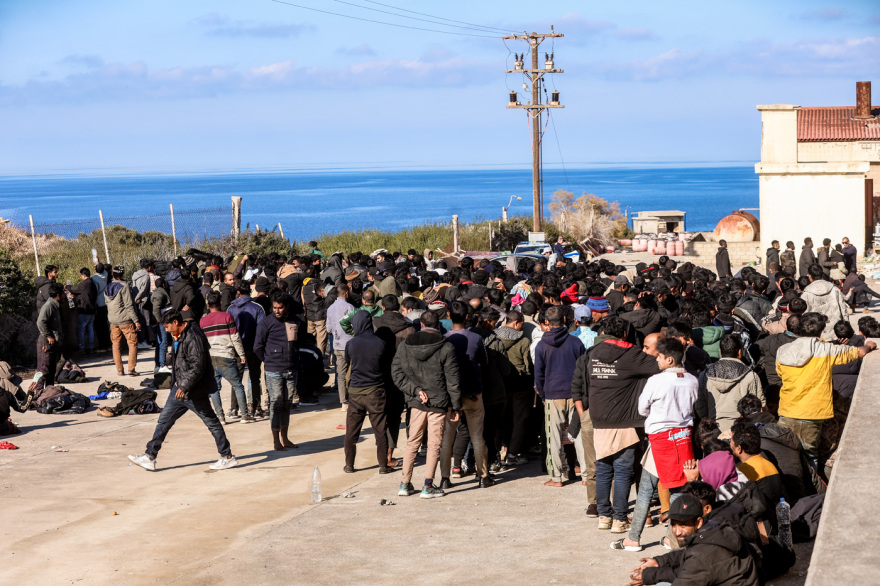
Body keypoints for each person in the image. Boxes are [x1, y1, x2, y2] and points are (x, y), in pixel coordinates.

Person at [573, 316, 659, 532]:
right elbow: (659, 365)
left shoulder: (592, 354)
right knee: (622, 471)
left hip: (599, 419)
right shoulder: (631, 354)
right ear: (623, 334)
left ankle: (604, 516)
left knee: (603, 469)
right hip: (625, 421)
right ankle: (620, 519)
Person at [128, 311, 238, 472]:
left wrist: (184, 386)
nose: (166, 330)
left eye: (167, 327)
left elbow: (197, 366)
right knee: (164, 421)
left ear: (176, 322)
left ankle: (227, 456)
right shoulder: (181, 334)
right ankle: (150, 456)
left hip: (193, 390)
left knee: (212, 422)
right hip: (180, 389)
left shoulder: (193, 337)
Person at [776, 312, 874, 472]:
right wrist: (869, 345)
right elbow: (858, 353)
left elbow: (780, 374)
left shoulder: (783, 350)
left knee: (787, 456)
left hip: (786, 411)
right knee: (810, 457)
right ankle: (813, 491)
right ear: (820, 331)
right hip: (813, 414)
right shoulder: (826, 350)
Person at [392, 310, 462, 499]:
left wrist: (414, 390)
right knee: (434, 445)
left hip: (416, 402)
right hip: (439, 402)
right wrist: (456, 406)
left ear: (421, 324)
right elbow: (453, 380)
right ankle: (427, 485)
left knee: (412, 442)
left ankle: (405, 483)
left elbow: (396, 373)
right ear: (438, 325)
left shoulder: (406, 345)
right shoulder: (446, 346)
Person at [629, 493, 760, 586]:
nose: (677, 531)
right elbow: (689, 559)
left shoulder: (702, 556)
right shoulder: (715, 530)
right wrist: (659, 561)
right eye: (674, 524)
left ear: (698, 522)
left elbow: (689, 571)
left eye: (683, 525)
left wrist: (651, 576)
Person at [440, 301, 491, 489]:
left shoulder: (444, 339)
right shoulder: (476, 338)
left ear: (448, 315)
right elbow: (484, 362)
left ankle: (445, 478)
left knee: (448, 438)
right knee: (477, 436)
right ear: (467, 316)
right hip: (473, 394)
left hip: (451, 396)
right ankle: (483, 475)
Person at [638, 338, 698, 497]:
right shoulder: (693, 380)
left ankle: (640, 523)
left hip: (660, 438)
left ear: (669, 360)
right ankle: (678, 521)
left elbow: (642, 408)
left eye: (659, 356)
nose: (656, 359)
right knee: (680, 485)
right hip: (684, 437)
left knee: (645, 490)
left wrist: (656, 414)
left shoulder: (655, 381)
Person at [534, 305, 586, 488]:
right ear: (564, 320)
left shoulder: (542, 345)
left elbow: (538, 374)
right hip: (575, 393)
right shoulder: (576, 343)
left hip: (552, 394)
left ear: (546, 323)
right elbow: (583, 370)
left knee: (553, 437)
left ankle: (556, 477)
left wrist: (542, 393)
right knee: (578, 433)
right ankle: (586, 475)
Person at [342, 311, 394, 474]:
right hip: (376, 391)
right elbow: (385, 366)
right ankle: (383, 466)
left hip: (356, 393)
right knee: (380, 430)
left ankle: (349, 465)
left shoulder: (351, 344)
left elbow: (349, 362)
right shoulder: (381, 343)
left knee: (351, 432)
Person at [254, 292, 302, 451]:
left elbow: (298, 343)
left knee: (286, 404)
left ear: (286, 307)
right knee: (275, 404)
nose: (277, 310)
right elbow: (257, 347)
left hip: (291, 370)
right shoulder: (266, 323)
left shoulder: (295, 320)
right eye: (274, 308)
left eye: (280, 308)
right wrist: (268, 361)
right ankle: (276, 441)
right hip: (273, 370)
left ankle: (285, 438)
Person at [695, 335, 764, 433]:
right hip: (742, 432)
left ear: (720, 351)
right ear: (740, 352)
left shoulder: (705, 375)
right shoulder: (750, 375)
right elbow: (760, 406)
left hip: (713, 431)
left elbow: (700, 406)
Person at [200, 290, 249, 424]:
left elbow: (202, 342)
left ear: (208, 304)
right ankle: (245, 415)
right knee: (238, 386)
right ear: (220, 303)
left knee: (214, 389)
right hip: (227, 356)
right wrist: (242, 354)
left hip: (211, 357)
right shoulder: (227, 317)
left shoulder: (203, 321)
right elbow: (235, 338)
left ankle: (220, 417)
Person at [227, 283, 267, 419]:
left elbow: (229, 330)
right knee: (255, 378)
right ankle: (254, 408)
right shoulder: (257, 308)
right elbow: (262, 329)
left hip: (237, 349)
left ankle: (234, 408)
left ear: (238, 292)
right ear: (250, 291)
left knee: (236, 379)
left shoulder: (231, 309)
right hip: (254, 348)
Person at [105, 265, 141, 377]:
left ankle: (120, 370)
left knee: (115, 345)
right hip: (125, 320)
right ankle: (131, 369)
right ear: (122, 274)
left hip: (113, 321)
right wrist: (136, 320)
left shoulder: (108, 287)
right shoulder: (124, 286)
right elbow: (129, 305)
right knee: (132, 343)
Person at [326, 283, 355, 410]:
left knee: (341, 373)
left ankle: (344, 401)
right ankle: (354, 398)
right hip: (350, 343)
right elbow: (354, 326)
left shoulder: (330, 308)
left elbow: (328, 328)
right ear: (346, 293)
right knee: (353, 372)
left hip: (337, 344)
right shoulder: (349, 307)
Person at [801, 264, 847, 340]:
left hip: (816, 335)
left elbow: (805, 315)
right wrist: (846, 327)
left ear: (809, 276)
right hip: (837, 333)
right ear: (822, 274)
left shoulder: (806, 294)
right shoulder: (834, 289)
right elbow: (843, 310)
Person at [36, 283, 64, 386]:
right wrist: (49, 336)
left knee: (51, 372)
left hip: (52, 344)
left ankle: (49, 394)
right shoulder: (49, 306)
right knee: (43, 372)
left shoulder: (55, 305)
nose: (64, 296)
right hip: (46, 343)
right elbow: (40, 322)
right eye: (63, 294)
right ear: (58, 295)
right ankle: (37, 396)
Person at [69, 267, 97, 354]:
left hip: (85, 309)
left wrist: (68, 287)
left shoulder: (85, 283)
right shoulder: (92, 283)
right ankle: (91, 346)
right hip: (92, 310)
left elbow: (75, 288)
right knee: (90, 328)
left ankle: (82, 348)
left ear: (83, 275)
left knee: (81, 329)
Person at [150, 277, 173, 373]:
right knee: (163, 342)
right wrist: (161, 321)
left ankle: (158, 364)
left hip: (161, 321)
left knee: (160, 343)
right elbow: (156, 309)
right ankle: (162, 365)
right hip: (162, 322)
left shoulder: (158, 292)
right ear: (163, 284)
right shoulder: (159, 294)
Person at [92, 262, 110, 352]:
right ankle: (108, 344)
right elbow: (102, 270)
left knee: (99, 326)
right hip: (105, 302)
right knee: (105, 325)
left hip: (98, 303)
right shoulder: (105, 275)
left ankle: (102, 346)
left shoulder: (94, 278)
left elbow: (94, 292)